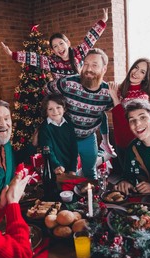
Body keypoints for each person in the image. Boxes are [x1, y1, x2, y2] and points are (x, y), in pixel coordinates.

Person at [1, 8, 116, 157]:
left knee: (100, 112)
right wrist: (13, 54)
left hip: (81, 92)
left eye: (61, 44)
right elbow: (33, 58)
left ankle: (105, 142)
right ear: (53, 51)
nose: (59, 48)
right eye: (55, 47)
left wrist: (103, 21)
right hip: (64, 98)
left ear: (67, 42)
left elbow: (90, 38)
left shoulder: (79, 53)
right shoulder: (51, 62)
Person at [46, 48, 113, 179]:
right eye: (86, 64)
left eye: (94, 65)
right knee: (68, 175)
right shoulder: (68, 83)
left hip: (88, 139)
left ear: (104, 69)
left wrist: (106, 140)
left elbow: (105, 114)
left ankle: (92, 198)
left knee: (90, 173)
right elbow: (47, 89)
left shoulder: (108, 94)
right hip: (65, 139)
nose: (88, 69)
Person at [108, 58, 150, 168]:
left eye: (142, 72)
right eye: (136, 67)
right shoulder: (121, 90)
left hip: (135, 144)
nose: (136, 72)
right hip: (120, 142)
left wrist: (115, 98)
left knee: (135, 180)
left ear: (146, 78)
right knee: (125, 177)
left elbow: (127, 122)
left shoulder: (142, 97)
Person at [38, 94, 78, 175]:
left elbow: (74, 147)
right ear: (46, 112)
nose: (55, 112)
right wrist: (56, 165)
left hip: (70, 165)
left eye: (58, 107)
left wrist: (73, 168)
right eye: (50, 109)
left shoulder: (69, 123)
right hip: (54, 167)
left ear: (64, 108)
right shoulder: (45, 128)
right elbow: (47, 150)